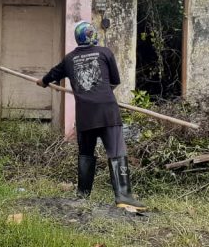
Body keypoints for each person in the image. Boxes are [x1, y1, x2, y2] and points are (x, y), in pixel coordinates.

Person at [36, 20, 146, 210]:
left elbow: (53, 74)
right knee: (117, 152)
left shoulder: (69, 59)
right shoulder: (105, 53)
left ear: (77, 38)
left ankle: (82, 195)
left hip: (85, 114)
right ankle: (124, 197)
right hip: (108, 112)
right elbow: (115, 82)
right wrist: (100, 93)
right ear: (94, 35)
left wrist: (43, 82)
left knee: (86, 153)